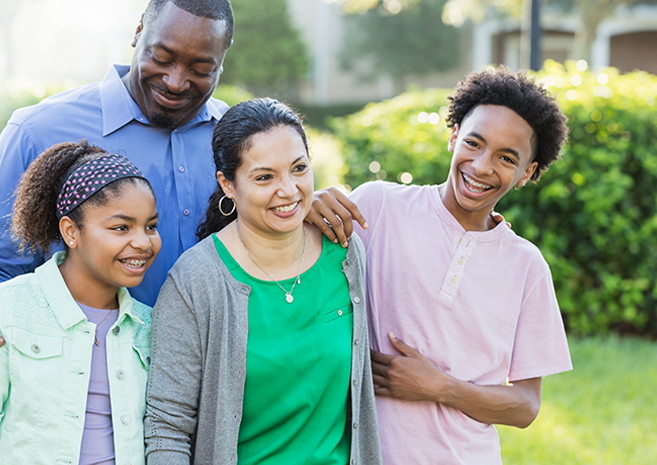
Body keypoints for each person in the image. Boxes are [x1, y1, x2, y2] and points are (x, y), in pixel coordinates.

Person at [0, 0, 234, 384]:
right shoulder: (39, 130)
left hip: (211, 392)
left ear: (222, 61)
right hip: (80, 394)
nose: (175, 81)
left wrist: (308, 207)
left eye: (201, 69)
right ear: (137, 33)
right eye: (162, 57)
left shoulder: (238, 142)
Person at [306, 68, 572, 464]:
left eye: (506, 158)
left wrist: (441, 387)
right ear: (453, 136)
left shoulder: (526, 266)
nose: (482, 166)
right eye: (474, 143)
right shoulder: (379, 208)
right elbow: (299, 286)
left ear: (527, 173)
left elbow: (525, 405)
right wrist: (303, 207)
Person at [144, 98, 382, 465]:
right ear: (228, 184)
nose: (288, 190)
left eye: (299, 168)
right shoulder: (196, 281)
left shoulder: (346, 255)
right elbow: (166, 426)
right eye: (264, 177)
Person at [0, 141, 159, 465]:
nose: (142, 242)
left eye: (151, 226)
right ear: (71, 232)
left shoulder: (150, 326)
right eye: (121, 227)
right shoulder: (4, 310)